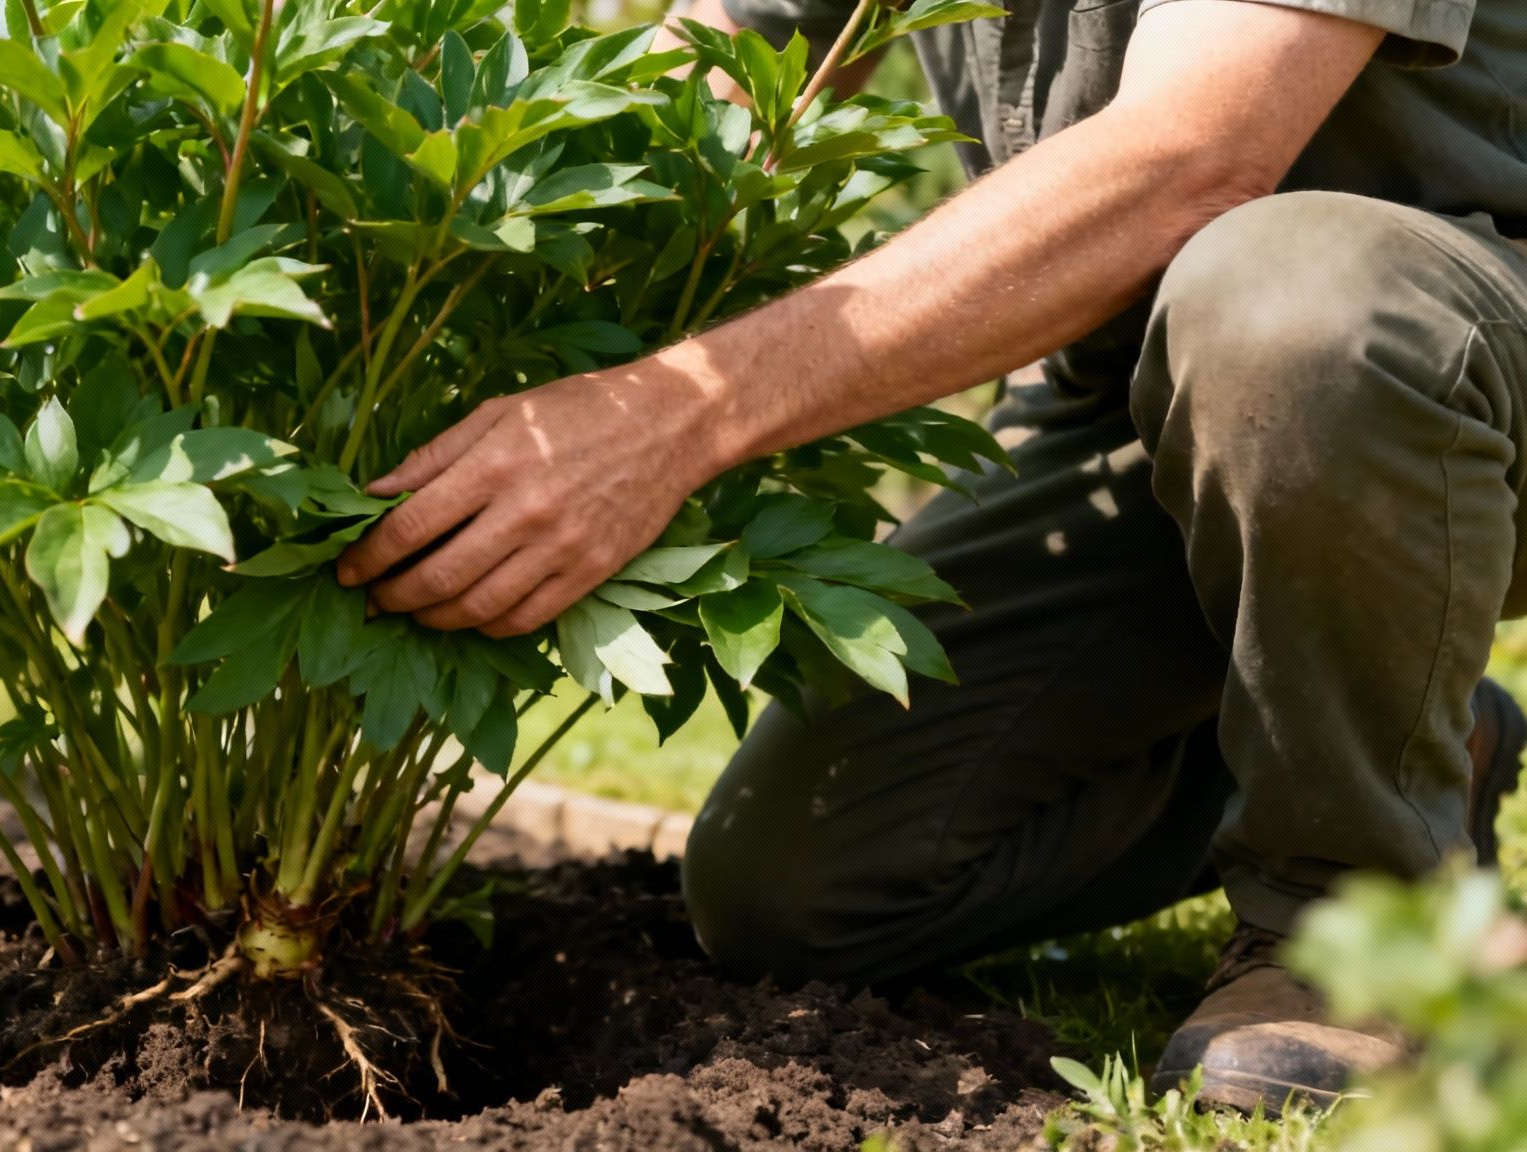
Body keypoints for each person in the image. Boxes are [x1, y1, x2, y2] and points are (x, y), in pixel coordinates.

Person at [335, 0, 1527, 1115]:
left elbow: (1193, 158)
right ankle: (1411, 729)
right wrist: (437, 284)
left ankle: (1350, 917)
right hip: (1132, 391)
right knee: (797, 888)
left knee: (1285, 296)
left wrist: (671, 413)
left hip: (1432, 354)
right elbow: (723, 70)